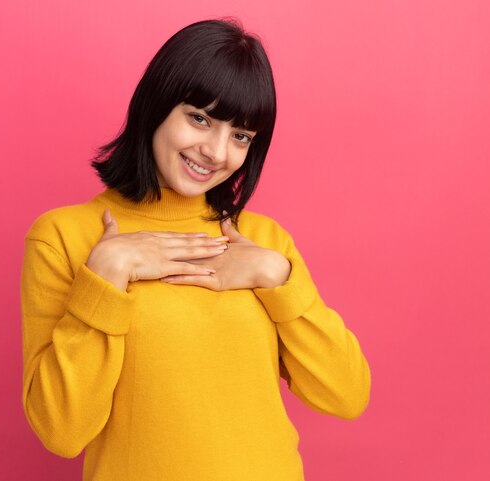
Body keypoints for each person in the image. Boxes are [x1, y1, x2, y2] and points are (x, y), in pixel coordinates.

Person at [20, 18, 371, 481]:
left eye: (240, 136)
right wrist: (106, 274)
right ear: (156, 105)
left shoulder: (263, 243)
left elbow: (346, 394)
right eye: (200, 118)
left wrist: (277, 276)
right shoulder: (64, 237)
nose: (217, 152)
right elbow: (60, 431)